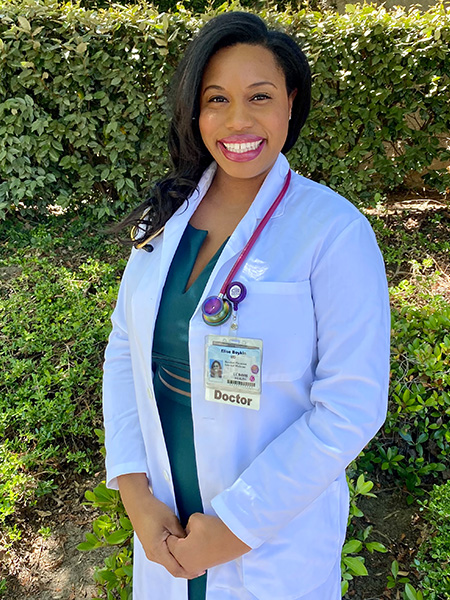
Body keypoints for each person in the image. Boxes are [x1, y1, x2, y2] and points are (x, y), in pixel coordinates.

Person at [102, 11, 391, 600]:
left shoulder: (333, 231)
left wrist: (235, 527)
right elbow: (125, 349)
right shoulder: (165, 219)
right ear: (195, 111)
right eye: (216, 99)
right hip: (163, 521)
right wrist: (134, 489)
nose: (238, 121)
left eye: (259, 96)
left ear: (290, 104)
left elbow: (351, 405)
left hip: (270, 545)